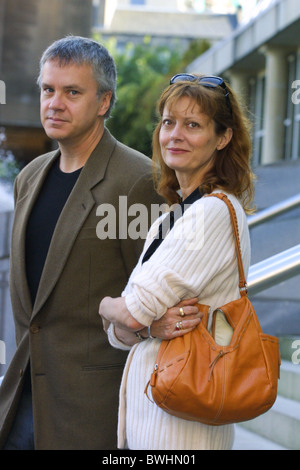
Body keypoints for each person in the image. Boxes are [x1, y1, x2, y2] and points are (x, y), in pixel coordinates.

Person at [0, 35, 167, 450]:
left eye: (72, 92)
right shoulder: (29, 177)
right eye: (48, 89)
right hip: (21, 399)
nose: (55, 103)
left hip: (92, 414)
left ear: (104, 102)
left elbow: (159, 294)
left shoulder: (140, 181)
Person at [99, 73, 255, 450]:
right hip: (150, 422)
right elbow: (118, 335)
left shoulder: (212, 213)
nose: (175, 134)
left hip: (182, 432)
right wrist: (150, 327)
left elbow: (130, 313)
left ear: (223, 137)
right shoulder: (173, 217)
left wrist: (105, 305)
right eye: (169, 122)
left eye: (193, 125)